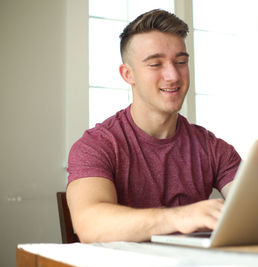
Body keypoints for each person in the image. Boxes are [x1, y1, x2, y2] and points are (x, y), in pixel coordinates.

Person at [66, 9, 241, 243]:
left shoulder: (213, 148)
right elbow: (90, 224)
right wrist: (179, 217)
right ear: (128, 74)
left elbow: (254, 209)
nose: (173, 76)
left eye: (180, 62)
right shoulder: (97, 145)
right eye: (156, 64)